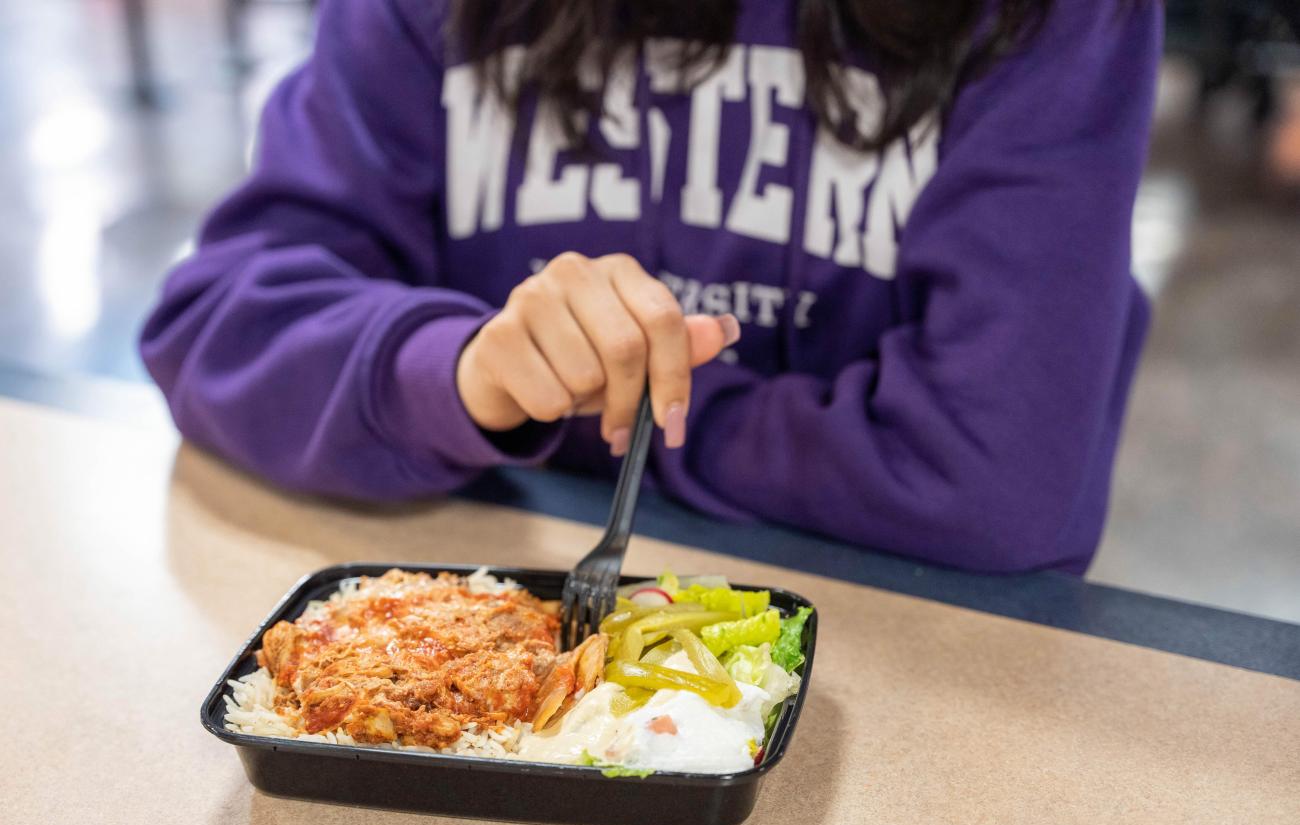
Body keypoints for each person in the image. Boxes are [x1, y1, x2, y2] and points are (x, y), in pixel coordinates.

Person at [141, 0, 1162, 575]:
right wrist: (459, 369)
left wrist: (592, 414)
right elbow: (216, 321)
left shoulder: (1053, 23)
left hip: (896, 682)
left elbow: (996, 484)